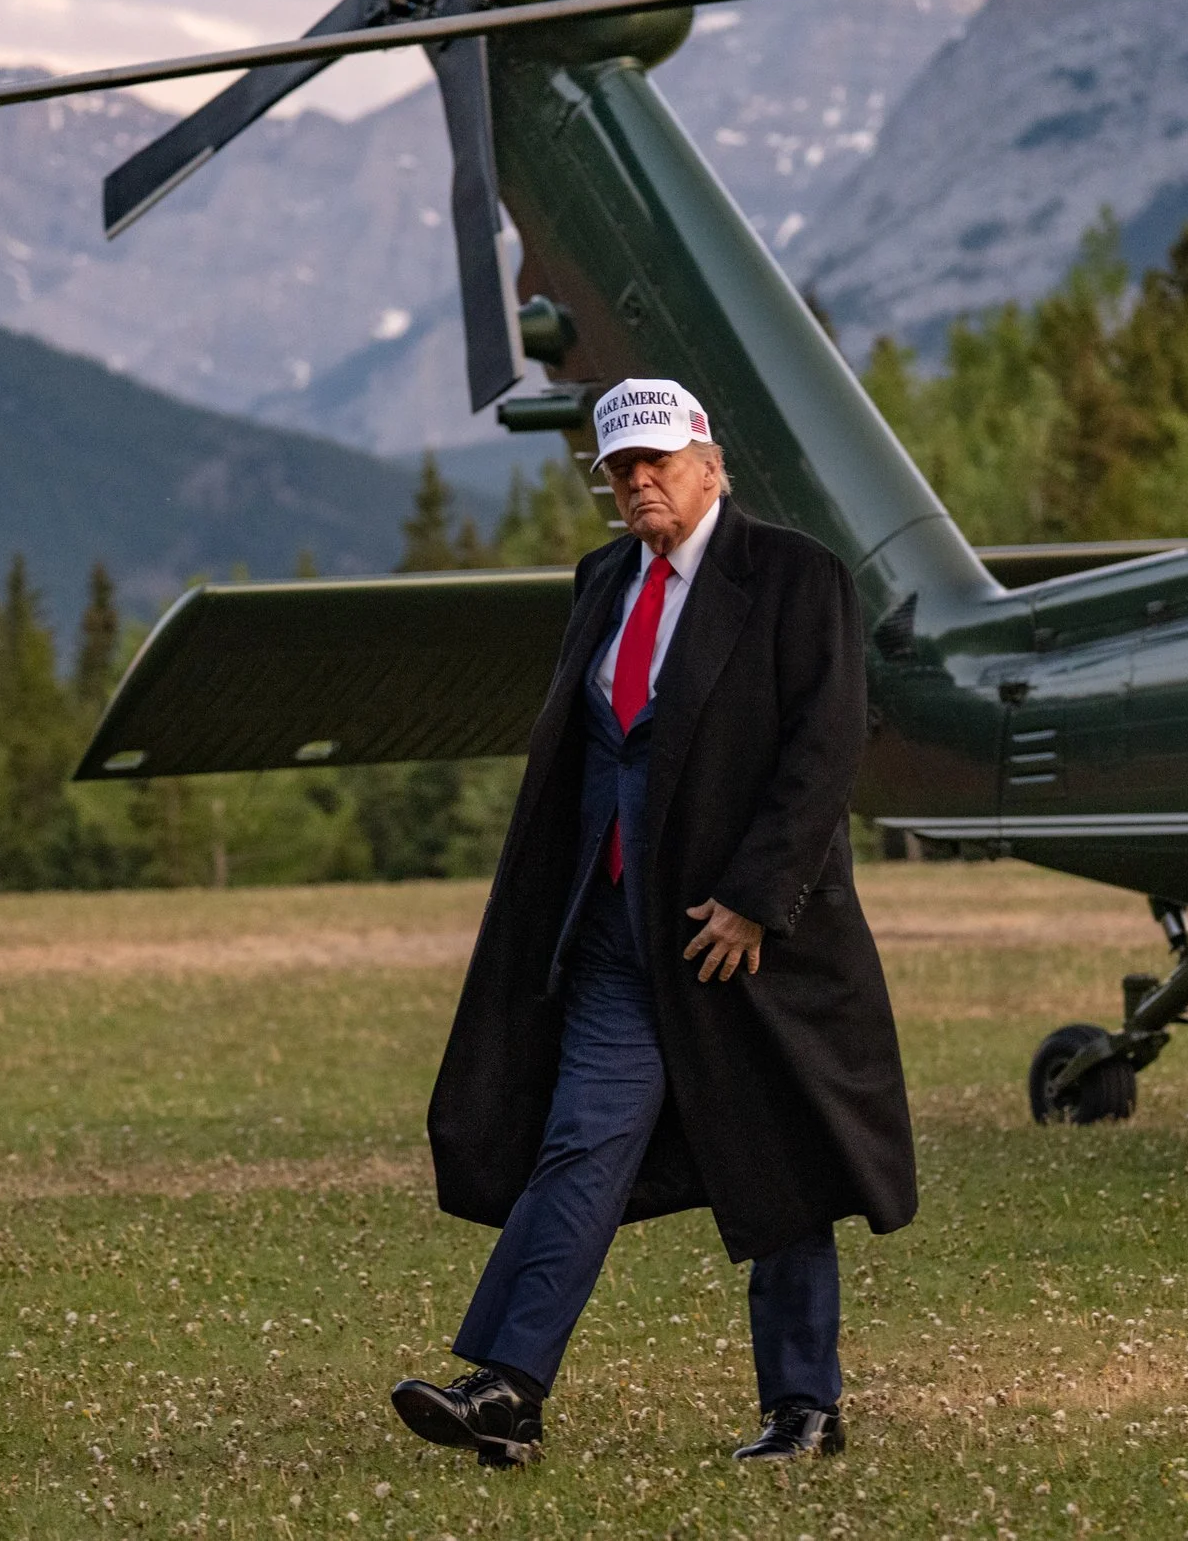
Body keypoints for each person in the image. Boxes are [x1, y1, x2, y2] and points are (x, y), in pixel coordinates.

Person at [389, 377, 917, 1466]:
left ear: (710, 463)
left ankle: (803, 1410)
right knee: (579, 1145)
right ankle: (507, 1389)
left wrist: (756, 898)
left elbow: (825, 747)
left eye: (657, 461)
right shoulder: (600, 583)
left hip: (746, 940)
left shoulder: (794, 578)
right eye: (620, 467)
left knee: (783, 1162)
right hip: (617, 938)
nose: (638, 481)